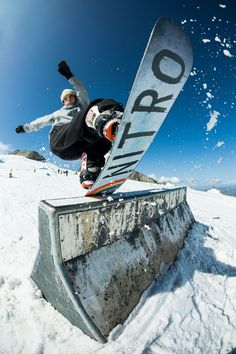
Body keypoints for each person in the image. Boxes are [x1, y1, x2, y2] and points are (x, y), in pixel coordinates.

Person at [16, 61, 123, 189]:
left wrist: (70, 76)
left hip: (76, 149)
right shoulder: (58, 113)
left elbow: (81, 90)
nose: (68, 100)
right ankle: (105, 123)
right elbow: (41, 122)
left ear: (75, 98)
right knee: (86, 115)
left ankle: (90, 171)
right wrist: (25, 128)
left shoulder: (81, 105)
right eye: (65, 99)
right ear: (62, 101)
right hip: (59, 142)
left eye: (70, 97)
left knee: (101, 137)